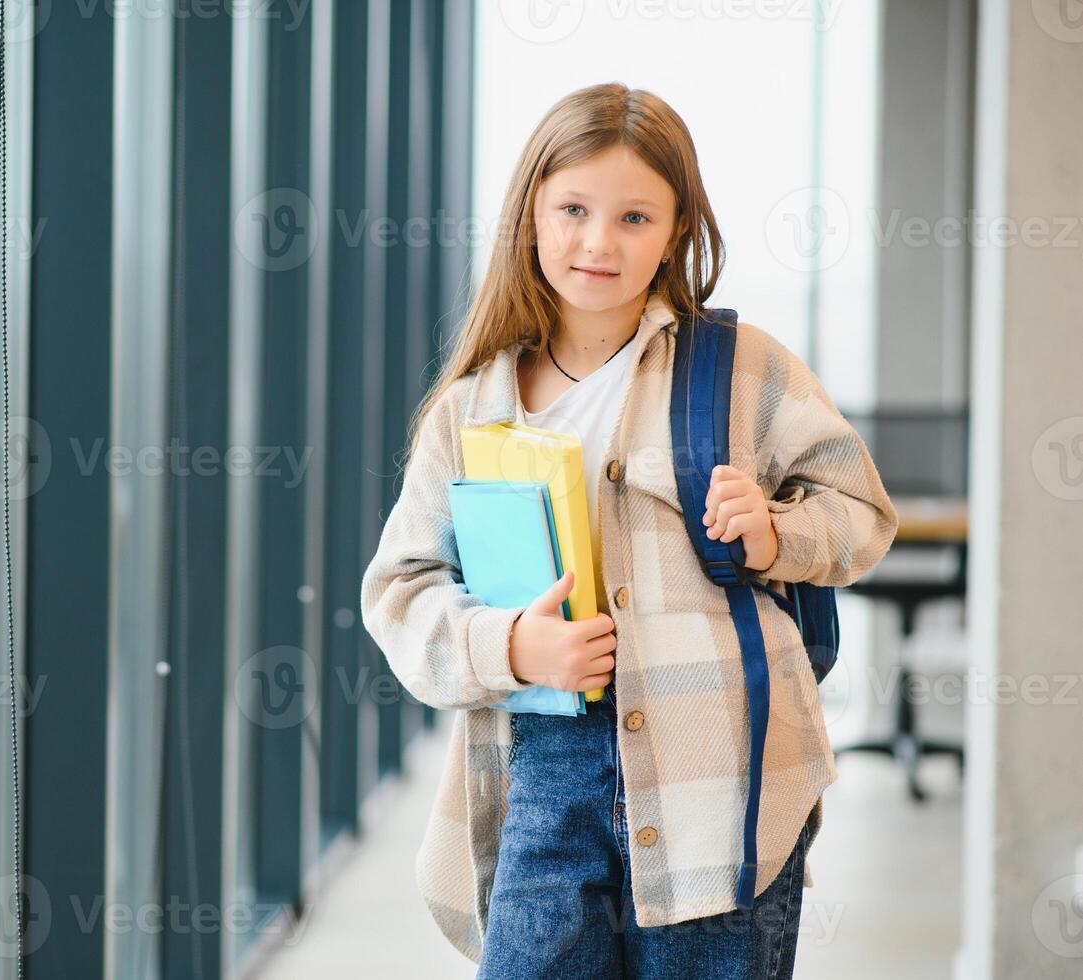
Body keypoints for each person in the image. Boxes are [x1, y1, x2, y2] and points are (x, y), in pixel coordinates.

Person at [359, 82, 899, 979]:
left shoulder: (742, 371)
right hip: (541, 776)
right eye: (572, 208)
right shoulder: (472, 406)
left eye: (634, 217)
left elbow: (863, 517)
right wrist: (515, 648)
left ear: (677, 231)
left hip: (722, 780)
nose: (598, 242)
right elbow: (399, 588)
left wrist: (774, 534)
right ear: (530, 212)